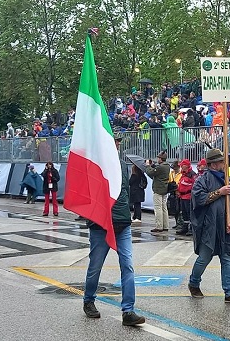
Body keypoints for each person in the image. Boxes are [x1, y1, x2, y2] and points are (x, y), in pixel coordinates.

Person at [83, 136, 146, 326]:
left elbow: (124, 190)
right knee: (95, 266)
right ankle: (88, 300)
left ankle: (128, 311)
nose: (118, 145)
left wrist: (124, 213)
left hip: (122, 223)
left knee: (127, 266)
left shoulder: (122, 165)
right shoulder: (94, 165)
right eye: (114, 142)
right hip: (100, 224)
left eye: (118, 142)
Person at [188, 149, 230, 305]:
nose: (224, 164)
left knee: (227, 259)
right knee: (204, 258)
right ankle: (194, 283)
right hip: (210, 227)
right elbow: (199, 199)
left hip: (227, 227)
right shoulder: (202, 180)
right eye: (221, 162)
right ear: (214, 164)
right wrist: (219, 192)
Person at [145, 151, 170, 233]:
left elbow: (150, 173)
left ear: (160, 159)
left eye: (158, 158)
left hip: (158, 189)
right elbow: (156, 170)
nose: (157, 159)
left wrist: (148, 166)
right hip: (164, 189)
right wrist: (153, 166)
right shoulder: (167, 166)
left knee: (158, 208)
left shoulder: (160, 167)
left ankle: (159, 226)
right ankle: (165, 225)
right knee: (164, 208)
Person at [176, 159, 197, 235]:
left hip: (188, 197)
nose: (181, 167)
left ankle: (191, 229)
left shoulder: (192, 174)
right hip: (182, 197)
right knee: (184, 213)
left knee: (190, 213)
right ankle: (185, 227)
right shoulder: (183, 174)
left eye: (182, 165)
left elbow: (195, 186)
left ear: (186, 166)